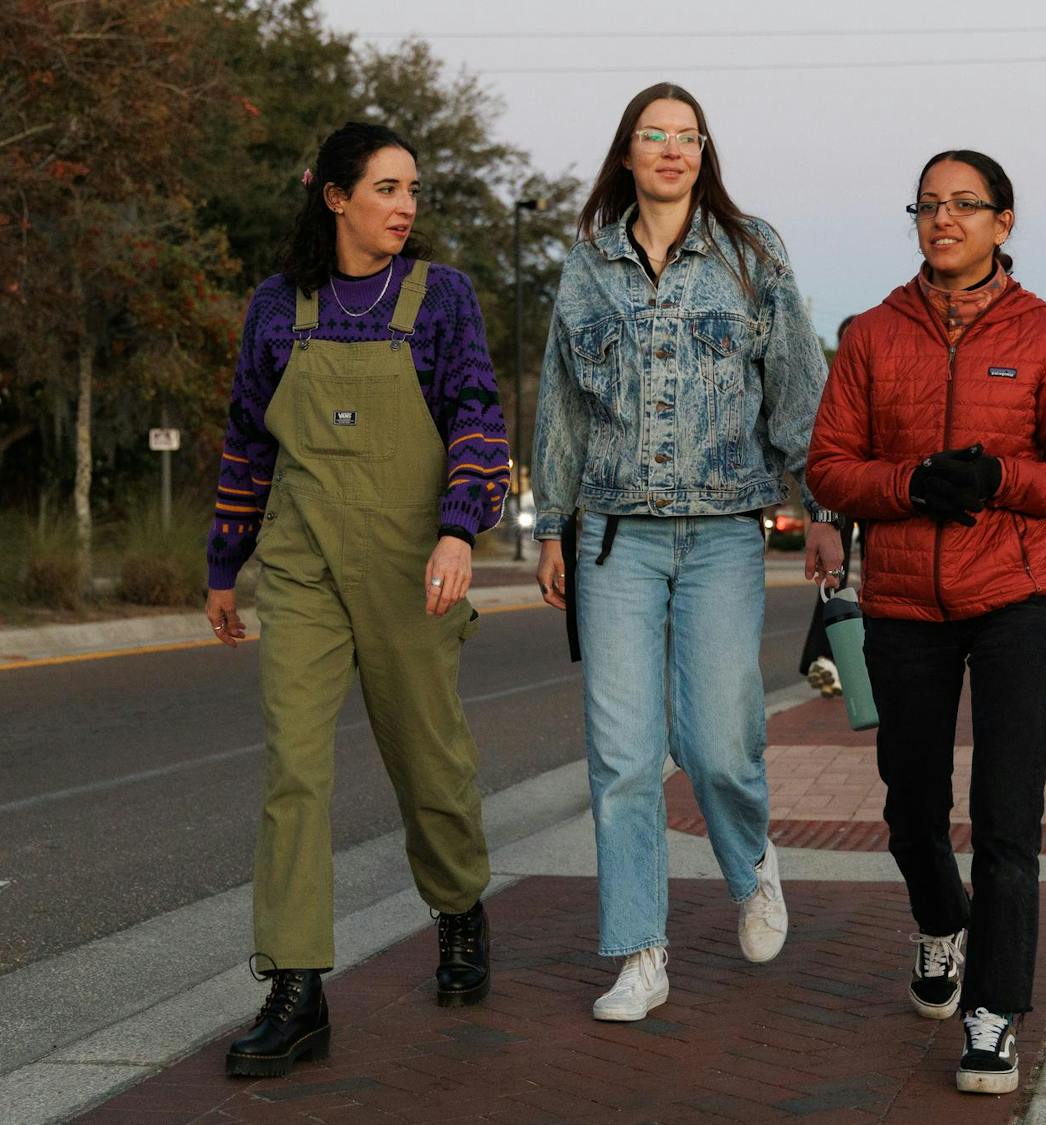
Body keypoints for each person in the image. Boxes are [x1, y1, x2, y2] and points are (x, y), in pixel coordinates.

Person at [530, 82, 842, 1023]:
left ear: (704, 153)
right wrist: (552, 524)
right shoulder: (586, 263)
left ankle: (751, 864)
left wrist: (821, 505)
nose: (671, 149)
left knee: (718, 741)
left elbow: (799, 387)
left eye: (687, 136)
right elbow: (562, 402)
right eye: (652, 135)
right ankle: (639, 950)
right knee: (621, 754)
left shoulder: (752, 253)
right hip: (615, 537)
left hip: (720, 535)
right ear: (625, 153)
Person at [204, 122, 506, 1077]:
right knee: (294, 768)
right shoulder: (275, 306)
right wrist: (224, 563)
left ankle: (458, 907)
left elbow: (476, 417)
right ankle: (296, 985)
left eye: (412, 187)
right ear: (334, 196)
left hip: (413, 562)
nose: (406, 204)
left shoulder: (441, 296)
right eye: (386, 188)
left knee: (428, 758)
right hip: (300, 562)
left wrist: (461, 527)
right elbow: (250, 439)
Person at [807, 150, 1046, 1095]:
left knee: (1009, 815)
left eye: (965, 205)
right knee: (909, 806)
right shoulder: (871, 334)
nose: (943, 219)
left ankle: (992, 1011)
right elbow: (828, 465)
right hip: (902, 602)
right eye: (928, 205)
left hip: (1016, 598)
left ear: (1003, 223)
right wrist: (906, 484)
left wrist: (1001, 479)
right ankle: (941, 921)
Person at [799, 315, 858, 697]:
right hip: (843, 486)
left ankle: (827, 660)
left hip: (876, 484)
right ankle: (830, 660)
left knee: (851, 579)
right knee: (837, 576)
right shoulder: (826, 384)